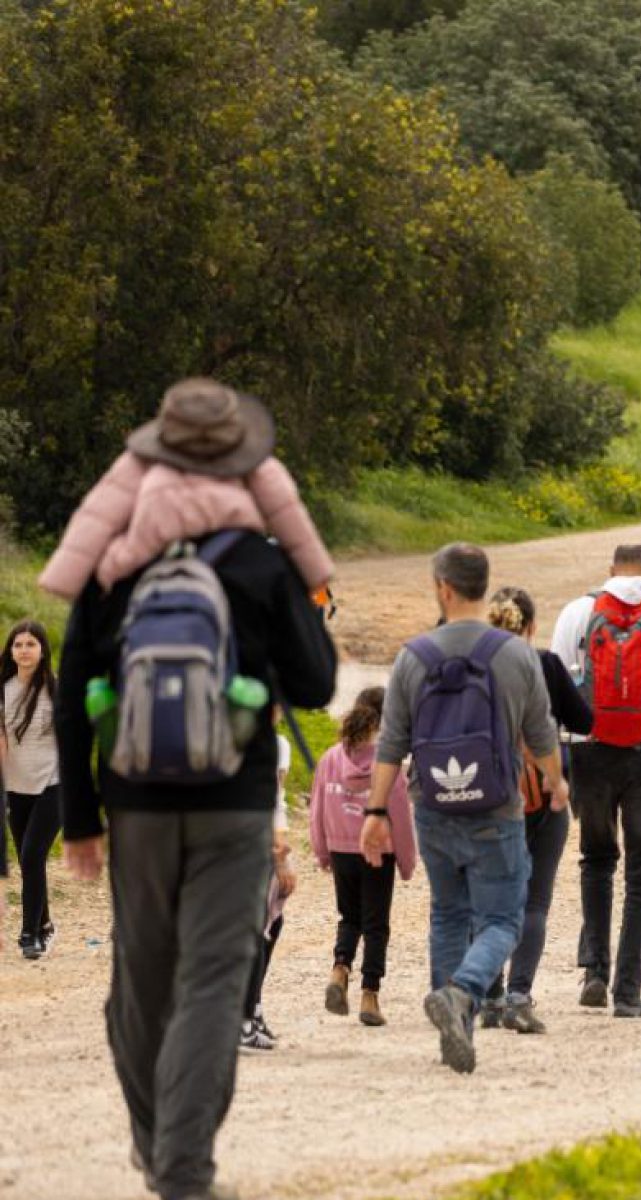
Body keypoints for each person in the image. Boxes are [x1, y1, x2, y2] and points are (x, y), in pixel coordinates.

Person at [56, 380, 336, 1200]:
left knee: (140, 983)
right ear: (245, 466)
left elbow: (74, 693)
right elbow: (317, 683)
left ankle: (158, 1147)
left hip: (135, 805)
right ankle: (184, 1168)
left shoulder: (114, 562)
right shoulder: (260, 558)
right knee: (214, 979)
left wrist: (80, 818)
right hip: (235, 802)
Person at [362, 543, 564, 1073]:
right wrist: (556, 783)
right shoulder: (517, 654)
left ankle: (456, 1030)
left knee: (448, 913)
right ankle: (462, 994)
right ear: (482, 584)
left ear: (443, 588)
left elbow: (391, 745)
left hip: (431, 805)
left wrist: (375, 814)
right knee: (502, 919)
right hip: (495, 808)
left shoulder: (414, 656)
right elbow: (541, 735)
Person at [548, 543, 641, 1020]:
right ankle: (627, 992)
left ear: (609, 569)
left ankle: (593, 971)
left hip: (588, 748)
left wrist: (561, 751)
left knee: (595, 860)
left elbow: (552, 687)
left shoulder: (576, 614)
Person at [38, 378, 333, 604]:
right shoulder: (260, 468)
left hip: (142, 556)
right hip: (243, 564)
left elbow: (98, 515)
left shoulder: (137, 463)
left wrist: (64, 579)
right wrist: (315, 573)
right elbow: (286, 511)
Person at [481, 586, 595, 1035]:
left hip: (485, 795)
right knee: (534, 899)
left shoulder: (472, 666)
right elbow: (585, 721)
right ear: (530, 627)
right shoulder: (545, 664)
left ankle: (489, 996)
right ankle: (518, 996)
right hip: (544, 793)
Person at [311, 687, 414, 1029]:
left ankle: (340, 970)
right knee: (376, 925)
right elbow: (399, 813)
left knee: (349, 917)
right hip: (377, 854)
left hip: (341, 850)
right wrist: (406, 861)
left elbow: (316, 810)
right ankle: (370, 994)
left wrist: (322, 851)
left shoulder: (329, 759)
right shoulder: (388, 764)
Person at [2, 620, 59, 959]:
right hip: (15, 786)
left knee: (31, 854)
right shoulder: (2, 689)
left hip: (54, 784)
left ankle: (29, 934)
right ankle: (47, 925)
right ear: (11, 651)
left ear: (42, 650)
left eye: (31, 644)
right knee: (29, 862)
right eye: (18, 644)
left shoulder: (56, 689)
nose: (24, 650)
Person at [239, 727, 298, 1051]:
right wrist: (280, 861)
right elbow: (272, 801)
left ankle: (252, 1009)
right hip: (253, 847)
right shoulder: (274, 744)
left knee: (271, 925)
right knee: (259, 928)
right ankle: (244, 1017)